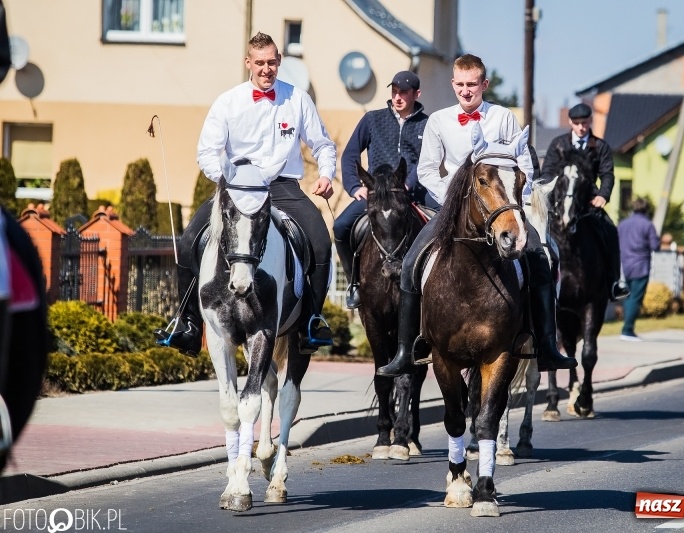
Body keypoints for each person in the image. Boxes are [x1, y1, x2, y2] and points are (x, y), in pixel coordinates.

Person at [377, 53, 577, 377]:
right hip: (451, 211)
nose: (466, 91)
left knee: (539, 257)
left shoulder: (504, 118)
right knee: (411, 262)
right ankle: (406, 350)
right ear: (452, 84)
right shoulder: (438, 121)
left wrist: (516, 201)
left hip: (501, 207)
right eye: (460, 85)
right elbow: (427, 169)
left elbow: (524, 165)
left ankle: (548, 346)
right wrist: (452, 199)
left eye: (473, 85)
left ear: (484, 84)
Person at [154, 32, 336, 356]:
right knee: (187, 241)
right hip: (236, 187)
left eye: (272, 63)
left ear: (279, 61)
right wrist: (225, 179)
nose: (266, 69)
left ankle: (311, 321)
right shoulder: (228, 102)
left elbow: (323, 144)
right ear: (248, 63)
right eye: (260, 63)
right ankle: (188, 324)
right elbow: (206, 152)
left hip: (283, 188)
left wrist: (325, 174)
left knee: (321, 242)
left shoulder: (297, 99)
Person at [334, 70, 431, 309]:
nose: (397, 97)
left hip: (413, 191)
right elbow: (350, 155)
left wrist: (409, 182)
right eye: (394, 92)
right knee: (340, 226)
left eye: (404, 93)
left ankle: (436, 286)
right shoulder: (372, 119)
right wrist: (355, 186)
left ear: (416, 94)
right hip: (375, 194)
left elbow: (427, 159)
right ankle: (354, 283)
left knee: (444, 222)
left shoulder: (428, 124)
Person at [540, 103, 630, 302]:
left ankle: (615, 281)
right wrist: (548, 195)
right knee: (538, 231)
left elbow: (607, 174)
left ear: (590, 122)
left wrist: (603, 195)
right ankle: (537, 280)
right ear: (571, 122)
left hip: (588, 203)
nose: (581, 127)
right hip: (559, 202)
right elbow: (547, 172)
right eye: (577, 123)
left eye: (585, 123)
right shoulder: (558, 144)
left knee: (610, 229)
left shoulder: (600, 147)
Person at [617, 198, 660, 342]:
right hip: (641, 266)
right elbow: (655, 246)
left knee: (628, 297)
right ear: (646, 209)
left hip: (625, 265)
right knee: (635, 298)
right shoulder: (648, 225)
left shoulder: (623, 224)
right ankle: (627, 329)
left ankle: (626, 328)